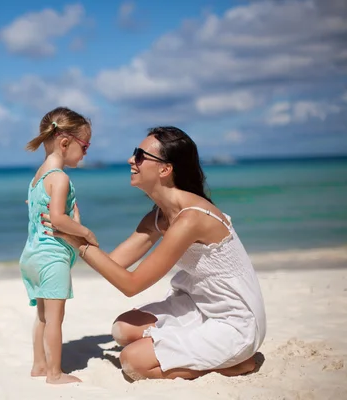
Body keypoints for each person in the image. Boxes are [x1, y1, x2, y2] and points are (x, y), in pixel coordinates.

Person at [42, 126, 267, 381]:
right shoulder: (159, 216)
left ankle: (237, 362)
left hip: (234, 322)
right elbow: (114, 263)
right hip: (198, 305)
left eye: (139, 155)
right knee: (123, 330)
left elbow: (131, 284)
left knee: (132, 362)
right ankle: (194, 346)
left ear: (165, 169)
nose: (130, 160)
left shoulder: (191, 219)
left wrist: (79, 242)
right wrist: (72, 231)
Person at [19, 106, 98, 385]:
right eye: (85, 146)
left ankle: (39, 365)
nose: (86, 153)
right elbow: (57, 218)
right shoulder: (61, 178)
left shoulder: (37, 177)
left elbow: (38, 210)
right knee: (55, 319)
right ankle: (54, 374)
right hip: (51, 257)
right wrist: (85, 232)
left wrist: (66, 219)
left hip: (32, 255)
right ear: (65, 143)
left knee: (41, 316)